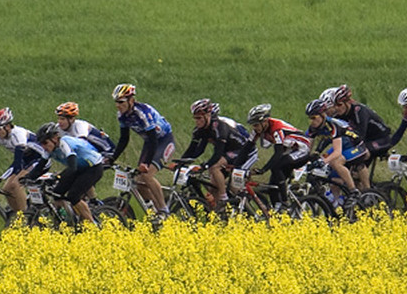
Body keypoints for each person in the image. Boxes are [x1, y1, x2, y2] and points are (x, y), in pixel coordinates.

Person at [109, 84, 176, 217]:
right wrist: (112, 158)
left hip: (163, 141)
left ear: (131, 100)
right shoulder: (122, 116)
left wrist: (146, 163)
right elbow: (124, 139)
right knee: (139, 182)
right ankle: (154, 211)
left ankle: (164, 209)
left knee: (147, 174)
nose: (118, 105)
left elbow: (153, 139)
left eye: (121, 102)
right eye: (116, 102)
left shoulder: (142, 113)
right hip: (150, 142)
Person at [179, 99, 256, 208]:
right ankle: (221, 214)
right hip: (228, 152)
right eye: (195, 118)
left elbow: (218, 153)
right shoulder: (200, 130)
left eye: (199, 118)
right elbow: (195, 150)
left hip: (241, 150)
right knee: (213, 189)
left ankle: (225, 198)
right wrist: (180, 163)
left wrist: (204, 166)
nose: (197, 121)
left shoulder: (219, 127)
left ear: (207, 115)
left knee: (214, 167)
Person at [36, 122, 106, 225]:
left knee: (73, 196)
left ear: (55, 138)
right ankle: (70, 221)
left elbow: (72, 168)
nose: (43, 146)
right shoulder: (49, 149)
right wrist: (27, 178)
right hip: (80, 167)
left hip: (93, 167)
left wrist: (58, 177)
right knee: (57, 194)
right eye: (41, 144)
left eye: (45, 143)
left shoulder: (65, 143)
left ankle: (93, 226)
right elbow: (40, 166)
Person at [247, 103, 313, 208]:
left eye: (256, 125)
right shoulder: (258, 130)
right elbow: (246, 148)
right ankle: (279, 212)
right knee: (272, 187)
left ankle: (285, 201)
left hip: (301, 148)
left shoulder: (276, 128)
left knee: (276, 166)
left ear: (264, 122)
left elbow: (278, 152)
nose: (254, 128)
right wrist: (236, 166)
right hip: (288, 149)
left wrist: (263, 170)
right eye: (253, 125)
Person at [304, 98, 365, 201]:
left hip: (355, 146)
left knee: (334, 162)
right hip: (343, 146)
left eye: (314, 118)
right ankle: (336, 203)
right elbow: (306, 149)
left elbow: (337, 151)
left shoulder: (333, 125)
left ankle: (353, 191)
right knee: (330, 175)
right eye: (309, 118)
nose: (312, 121)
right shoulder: (313, 127)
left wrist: (322, 161)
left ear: (323, 115)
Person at [332, 84, 394, 171]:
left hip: (382, 139)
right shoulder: (340, 114)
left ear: (348, 102)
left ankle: (365, 184)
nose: (336, 108)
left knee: (358, 156)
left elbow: (360, 135)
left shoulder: (359, 111)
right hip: (366, 140)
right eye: (334, 105)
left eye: (339, 105)